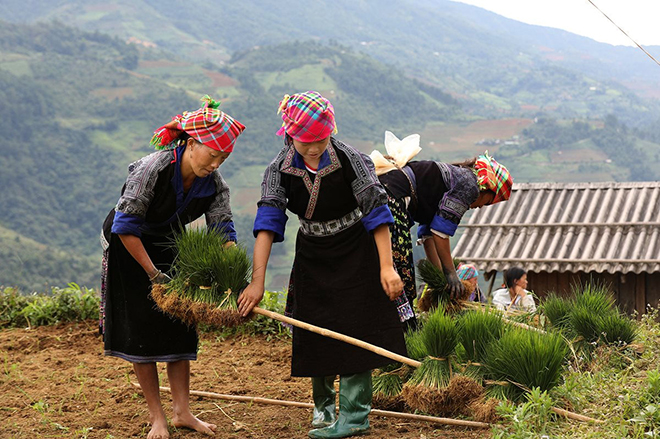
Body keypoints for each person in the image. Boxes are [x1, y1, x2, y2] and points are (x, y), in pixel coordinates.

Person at [237, 91, 407, 439]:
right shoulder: (277, 170)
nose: (313, 148)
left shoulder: (351, 159)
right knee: (315, 325)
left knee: (356, 327)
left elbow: (376, 212)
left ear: (332, 131)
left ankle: (355, 415)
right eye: (305, 142)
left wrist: (386, 267)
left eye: (320, 139)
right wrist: (257, 282)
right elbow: (268, 225)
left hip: (356, 248)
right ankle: (323, 406)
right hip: (313, 252)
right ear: (289, 134)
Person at [100, 96, 245, 439]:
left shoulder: (214, 183)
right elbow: (125, 226)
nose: (215, 163)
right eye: (212, 155)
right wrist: (153, 275)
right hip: (129, 247)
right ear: (192, 144)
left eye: (223, 157)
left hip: (170, 245)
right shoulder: (152, 168)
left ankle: (182, 412)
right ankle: (157, 418)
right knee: (142, 328)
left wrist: (233, 278)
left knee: (180, 324)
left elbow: (223, 229)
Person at [370, 133, 513, 313]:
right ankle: (398, 325)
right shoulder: (470, 186)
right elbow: (440, 232)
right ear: (486, 189)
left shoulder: (454, 181)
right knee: (401, 274)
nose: (479, 207)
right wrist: (451, 274)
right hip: (392, 198)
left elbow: (428, 234)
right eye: (485, 202)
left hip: (390, 194)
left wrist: (440, 281)